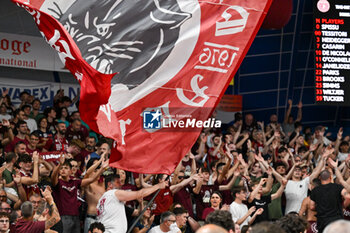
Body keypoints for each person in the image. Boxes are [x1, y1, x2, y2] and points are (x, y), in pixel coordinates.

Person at [97, 176, 168, 233]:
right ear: (110, 185)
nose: (121, 184)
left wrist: (140, 203)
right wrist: (158, 186)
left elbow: (138, 213)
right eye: (118, 182)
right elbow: (140, 194)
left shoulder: (103, 200)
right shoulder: (113, 193)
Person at [311, 159, 350, 233]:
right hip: (337, 221)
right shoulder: (337, 187)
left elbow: (311, 206)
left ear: (320, 178)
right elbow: (348, 197)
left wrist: (320, 208)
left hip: (322, 222)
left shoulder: (315, 190)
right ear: (331, 177)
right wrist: (342, 207)